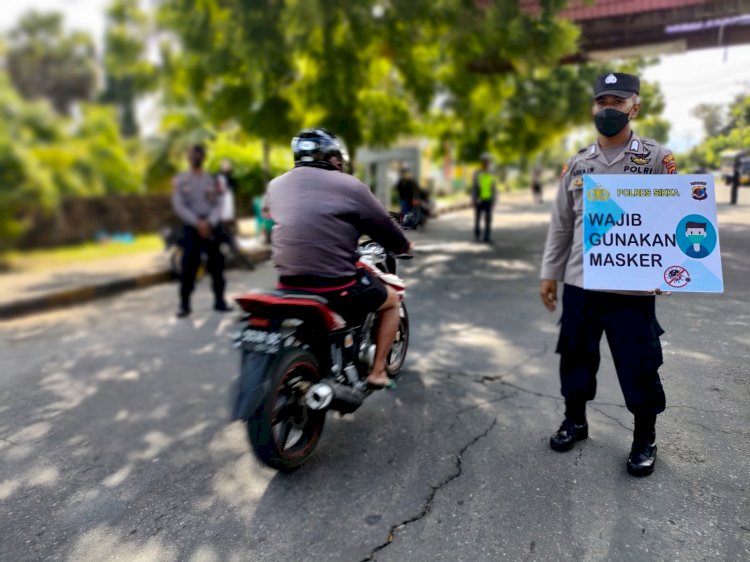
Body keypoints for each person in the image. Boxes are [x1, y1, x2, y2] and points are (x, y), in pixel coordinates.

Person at [539, 72, 678, 477]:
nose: (608, 109)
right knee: (575, 358)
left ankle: (644, 437)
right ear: (592, 108)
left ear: (635, 107)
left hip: (632, 289)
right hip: (582, 283)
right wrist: (550, 273)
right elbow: (562, 224)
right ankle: (575, 420)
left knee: (639, 364)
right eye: (602, 102)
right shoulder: (579, 163)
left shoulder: (656, 160)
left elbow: (675, 219)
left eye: (617, 102)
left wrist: (671, 271)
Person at [266, 128, 411, 388]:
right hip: (335, 285)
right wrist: (403, 245)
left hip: (288, 284)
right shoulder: (351, 186)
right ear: (333, 158)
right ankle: (378, 371)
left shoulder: (276, 185)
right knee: (392, 299)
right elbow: (383, 226)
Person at [171, 144, 230, 318]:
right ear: (188, 158)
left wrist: (209, 221)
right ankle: (184, 305)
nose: (194, 157)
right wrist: (197, 222)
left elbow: (219, 203)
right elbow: (179, 205)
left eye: (198, 154)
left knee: (217, 266)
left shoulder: (213, 180)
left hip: (211, 226)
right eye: (191, 154)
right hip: (191, 227)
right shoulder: (180, 180)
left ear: (204, 157)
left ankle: (220, 301)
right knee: (188, 267)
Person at [216, 159, 254, 270]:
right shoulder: (220, 180)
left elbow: (228, 202)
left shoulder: (230, 182)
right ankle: (247, 263)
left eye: (228, 165)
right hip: (221, 218)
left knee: (230, 243)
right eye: (224, 165)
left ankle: (247, 263)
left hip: (224, 218)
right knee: (225, 243)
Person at [472, 153, 496, 242]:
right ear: (481, 162)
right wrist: (473, 199)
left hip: (488, 199)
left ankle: (487, 236)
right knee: (478, 218)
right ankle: (477, 233)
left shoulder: (492, 173)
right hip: (479, 199)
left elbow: (493, 187)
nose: (486, 163)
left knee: (488, 218)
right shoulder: (477, 173)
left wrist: (494, 200)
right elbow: (474, 187)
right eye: (484, 161)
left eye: (487, 161)